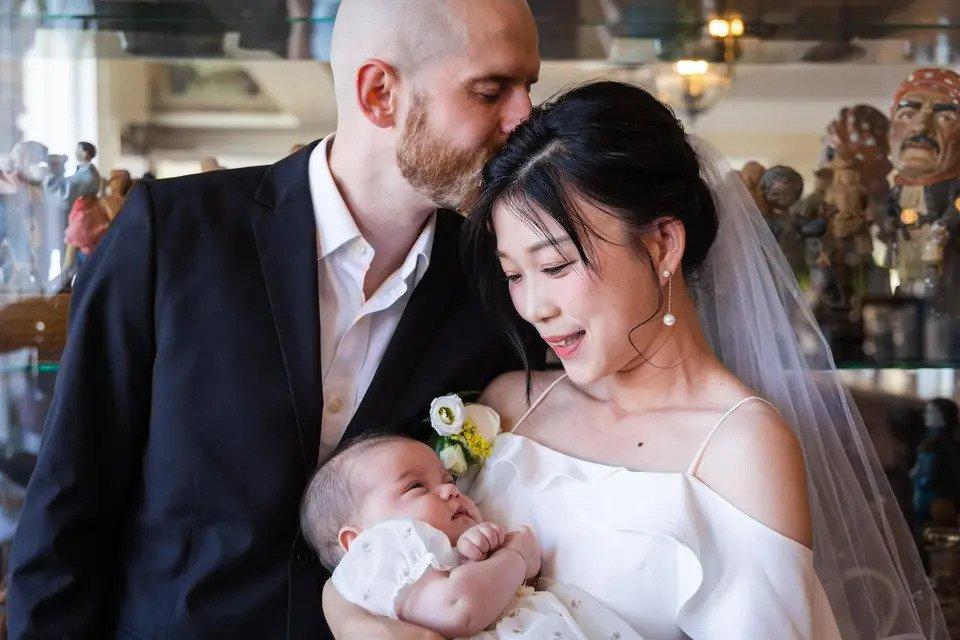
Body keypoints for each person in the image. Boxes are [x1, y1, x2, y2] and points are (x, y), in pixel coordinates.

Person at [326, 82, 948, 639]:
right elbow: (377, 557)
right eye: (515, 274)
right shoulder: (509, 402)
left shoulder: (741, 446)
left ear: (660, 245)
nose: (533, 306)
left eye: (556, 265)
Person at [6, 1, 543, 638]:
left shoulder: (496, 285)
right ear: (379, 94)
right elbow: (69, 503)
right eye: (491, 91)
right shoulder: (171, 234)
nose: (524, 119)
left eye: (527, 88)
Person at [302, 433, 642, 639]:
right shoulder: (384, 552)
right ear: (357, 543)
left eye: (448, 480)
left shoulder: (436, 557)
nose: (450, 491)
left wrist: (475, 555)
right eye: (416, 486)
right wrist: (516, 558)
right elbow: (459, 606)